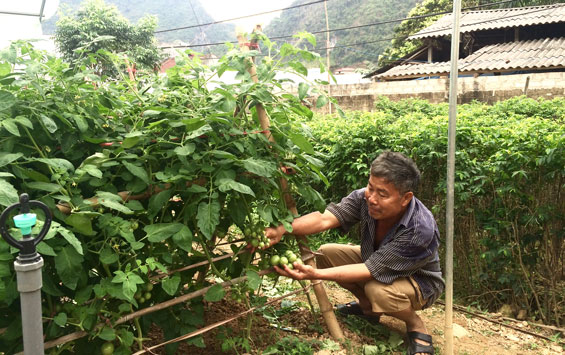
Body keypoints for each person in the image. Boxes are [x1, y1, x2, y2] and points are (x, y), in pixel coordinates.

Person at [263, 151, 444, 355]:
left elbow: (370, 270)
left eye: (382, 194)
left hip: (418, 282)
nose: (372, 198)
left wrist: (314, 275)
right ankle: (366, 305)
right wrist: (282, 229)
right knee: (325, 254)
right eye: (370, 187)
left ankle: (414, 323)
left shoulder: (420, 229)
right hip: (376, 262)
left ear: (405, 198)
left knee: (378, 290)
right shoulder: (364, 198)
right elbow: (325, 218)